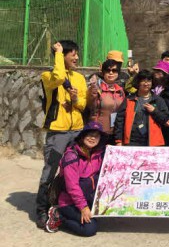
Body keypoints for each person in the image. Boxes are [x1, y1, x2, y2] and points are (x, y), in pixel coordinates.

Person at [36, 40, 87, 229]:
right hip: (58, 131)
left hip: (77, 130)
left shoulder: (79, 78)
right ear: (62, 56)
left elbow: (83, 104)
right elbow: (58, 77)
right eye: (73, 54)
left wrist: (75, 99)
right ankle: (42, 210)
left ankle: (66, 205)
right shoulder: (48, 76)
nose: (77, 58)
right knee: (50, 170)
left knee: (75, 170)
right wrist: (57, 52)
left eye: (77, 54)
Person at [44, 121, 106, 236]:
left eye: (96, 136)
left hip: (88, 199)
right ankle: (59, 215)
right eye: (89, 134)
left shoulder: (98, 155)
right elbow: (72, 186)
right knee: (90, 228)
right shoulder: (71, 156)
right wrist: (83, 207)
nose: (92, 138)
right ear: (82, 136)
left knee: (100, 218)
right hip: (69, 202)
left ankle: (78, 213)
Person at [114, 70, 169, 146]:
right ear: (138, 82)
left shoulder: (158, 100)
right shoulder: (129, 99)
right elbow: (119, 120)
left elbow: (167, 120)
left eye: (149, 81)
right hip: (131, 141)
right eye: (143, 81)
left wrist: (154, 111)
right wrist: (118, 140)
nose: (146, 84)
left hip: (152, 142)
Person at [85, 59, 126, 143]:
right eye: (108, 70)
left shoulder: (120, 91)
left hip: (116, 132)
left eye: (114, 70)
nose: (111, 73)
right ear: (103, 73)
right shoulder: (97, 89)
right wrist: (92, 91)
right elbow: (90, 105)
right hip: (99, 131)